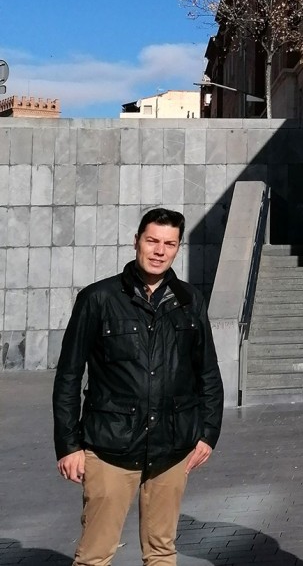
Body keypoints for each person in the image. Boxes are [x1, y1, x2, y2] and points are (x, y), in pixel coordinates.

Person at [53, 207, 223, 566]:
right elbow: (69, 374)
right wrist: (68, 445)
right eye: (152, 241)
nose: (160, 250)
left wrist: (208, 433)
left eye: (169, 243)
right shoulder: (98, 299)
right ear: (136, 242)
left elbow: (207, 371)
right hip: (110, 447)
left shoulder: (191, 301)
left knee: (162, 551)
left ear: (178, 248)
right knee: (94, 555)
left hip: (172, 449)